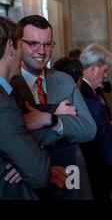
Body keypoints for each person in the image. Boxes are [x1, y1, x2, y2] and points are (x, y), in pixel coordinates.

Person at [10, 15, 96, 199]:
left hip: (69, 177)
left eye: (47, 44)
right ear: (18, 44)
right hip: (27, 180)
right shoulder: (9, 83)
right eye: (33, 43)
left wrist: (55, 121)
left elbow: (89, 129)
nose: (41, 51)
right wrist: (26, 158)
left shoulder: (64, 81)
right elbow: (10, 135)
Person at [53, 54, 112, 200]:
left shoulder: (46, 107)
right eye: (105, 70)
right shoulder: (92, 107)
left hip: (60, 181)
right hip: (93, 182)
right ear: (78, 80)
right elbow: (111, 154)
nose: (105, 75)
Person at [0, 17, 50, 199]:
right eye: (21, 45)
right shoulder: (3, 106)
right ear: (9, 48)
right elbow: (39, 173)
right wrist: (31, 158)